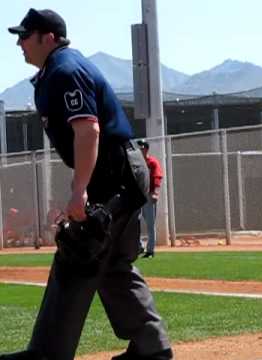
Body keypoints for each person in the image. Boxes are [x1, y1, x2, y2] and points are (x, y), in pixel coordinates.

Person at [2, 8, 172, 360]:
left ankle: (48, 353)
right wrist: (81, 184)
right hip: (118, 173)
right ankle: (151, 348)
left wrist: (79, 191)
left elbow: (88, 129)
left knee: (78, 251)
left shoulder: (65, 70)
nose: (19, 42)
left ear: (48, 37)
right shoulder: (57, 70)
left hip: (116, 175)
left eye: (25, 35)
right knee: (113, 266)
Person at [137, 139, 163, 258]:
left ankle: (150, 250)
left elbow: (157, 177)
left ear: (146, 149)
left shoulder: (152, 162)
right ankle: (139, 246)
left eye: (141, 147)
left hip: (149, 195)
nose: (140, 149)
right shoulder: (137, 163)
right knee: (135, 222)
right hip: (138, 196)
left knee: (150, 224)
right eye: (139, 148)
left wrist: (156, 193)